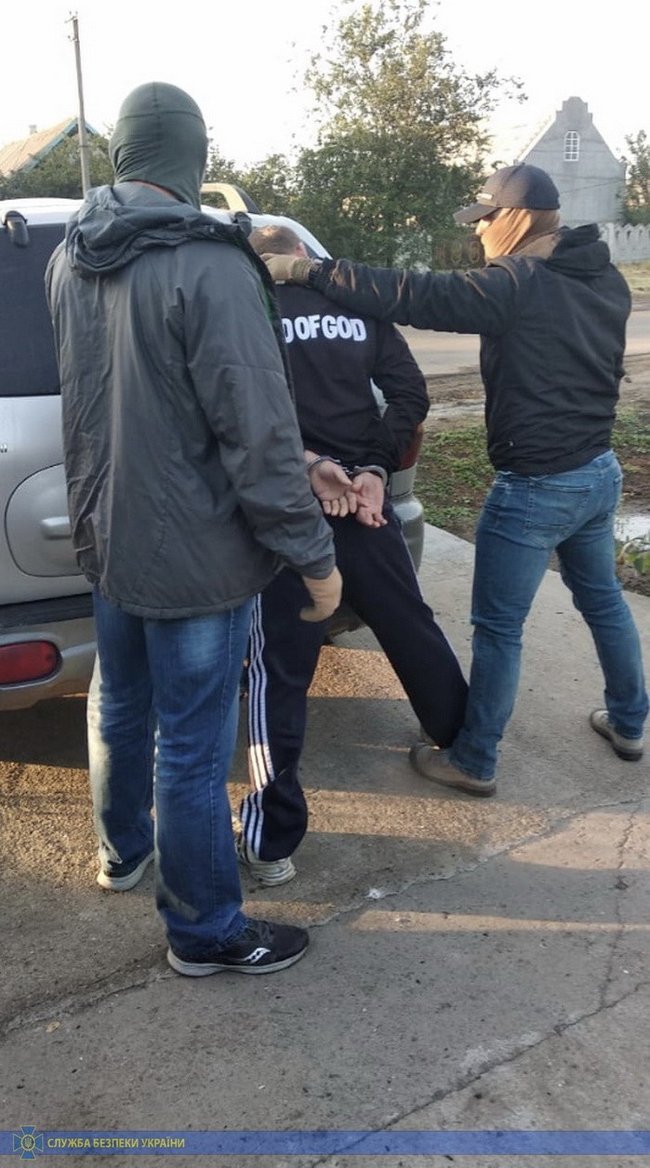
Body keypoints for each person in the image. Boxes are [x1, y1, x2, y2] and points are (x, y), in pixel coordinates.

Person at [45, 82, 344, 978]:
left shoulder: (69, 256)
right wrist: (315, 558)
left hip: (110, 535)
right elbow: (258, 432)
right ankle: (205, 931)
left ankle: (122, 852)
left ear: (126, 152)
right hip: (197, 560)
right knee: (190, 744)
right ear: (192, 155)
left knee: (118, 703)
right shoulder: (210, 266)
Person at [261, 164, 649, 798]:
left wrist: (311, 273)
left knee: (498, 628)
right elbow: (407, 383)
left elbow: (420, 295)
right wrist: (376, 465)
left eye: (486, 220)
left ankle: (474, 758)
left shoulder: (519, 281)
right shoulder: (603, 276)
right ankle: (630, 722)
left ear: (514, 217)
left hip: (534, 486)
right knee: (602, 600)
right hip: (597, 471)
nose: (480, 234)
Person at [236, 224, 468, 886]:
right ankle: (465, 745)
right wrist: (371, 468)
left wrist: (313, 465)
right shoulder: (355, 304)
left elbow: (243, 413)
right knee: (409, 623)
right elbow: (410, 394)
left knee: (279, 670)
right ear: (303, 256)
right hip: (364, 501)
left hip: (289, 507)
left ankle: (271, 843)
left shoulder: (248, 311)